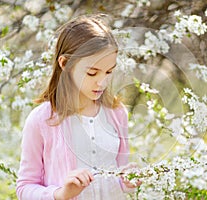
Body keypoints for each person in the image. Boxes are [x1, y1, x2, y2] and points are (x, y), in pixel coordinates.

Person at [16, 15, 140, 200]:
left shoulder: (116, 112)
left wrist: (128, 181)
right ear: (65, 64)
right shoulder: (42, 120)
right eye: (92, 73)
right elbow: (25, 187)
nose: (102, 81)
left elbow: (119, 175)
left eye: (109, 72)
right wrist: (60, 194)